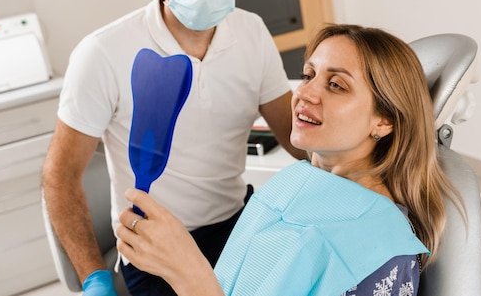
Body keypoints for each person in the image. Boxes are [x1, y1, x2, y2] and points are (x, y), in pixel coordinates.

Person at [42, 0, 307, 296]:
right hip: (153, 245)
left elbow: (294, 135)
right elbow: (59, 177)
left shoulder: (251, 32)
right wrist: (94, 279)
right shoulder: (103, 52)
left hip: (238, 226)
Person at [116, 24, 463, 296]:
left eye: (337, 85)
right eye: (309, 75)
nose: (304, 92)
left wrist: (188, 274)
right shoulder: (294, 180)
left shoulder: (381, 253)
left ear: (383, 120)